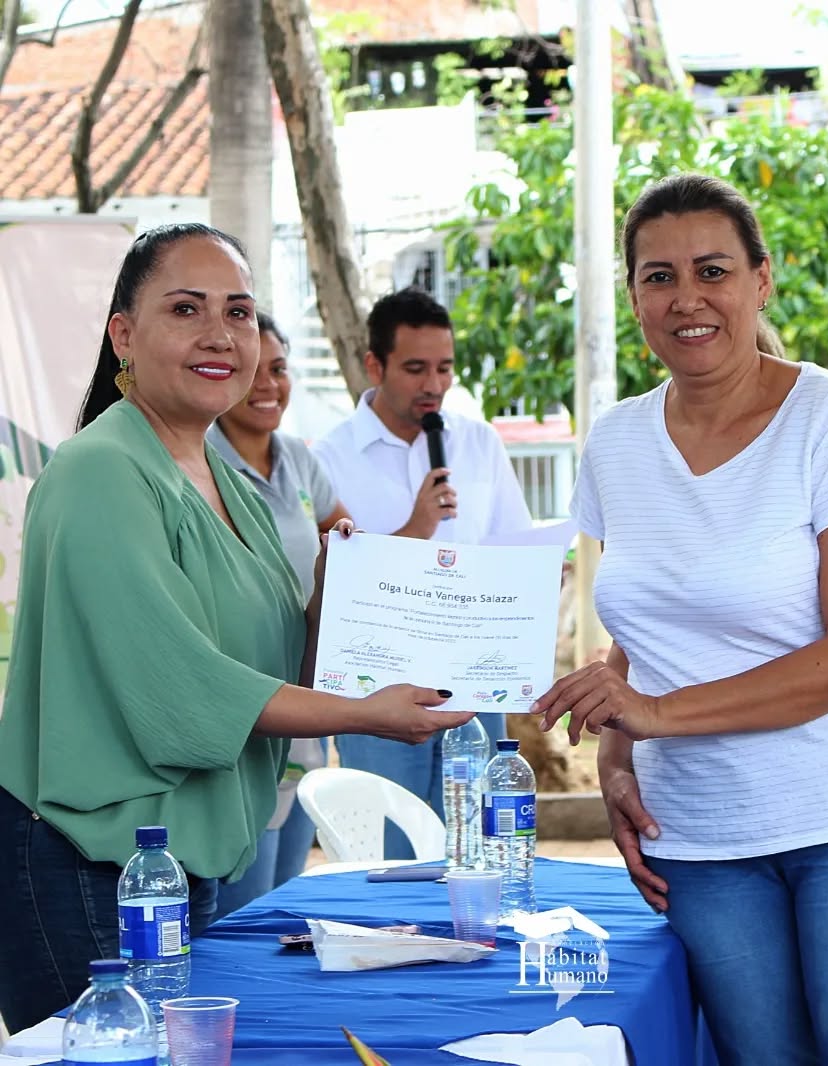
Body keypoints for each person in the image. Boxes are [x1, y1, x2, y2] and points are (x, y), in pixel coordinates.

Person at [533, 174, 828, 1066]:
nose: (686, 298)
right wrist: (619, 754)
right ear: (633, 295)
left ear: (760, 281)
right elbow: (651, 624)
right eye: (658, 276)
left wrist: (654, 716)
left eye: (712, 270)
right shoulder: (615, 442)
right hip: (702, 832)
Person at [0, 223, 473, 1035]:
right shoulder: (101, 471)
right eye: (185, 309)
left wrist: (332, 597)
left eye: (241, 313)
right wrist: (369, 714)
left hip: (189, 857)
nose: (220, 335)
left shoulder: (234, 483)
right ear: (124, 333)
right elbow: (179, 690)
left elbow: (282, 666)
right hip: (92, 861)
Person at [312, 287, 532, 843]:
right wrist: (415, 530)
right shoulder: (328, 459)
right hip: (378, 694)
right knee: (393, 851)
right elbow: (332, 582)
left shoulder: (480, 444)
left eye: (444, 367)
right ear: (373, 365)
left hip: (477, 690)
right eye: (415, 368)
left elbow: (516, 547)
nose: (433, 385)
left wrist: (533, 582)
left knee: (481, 846)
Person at [207, 310, 350, 918]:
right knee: (247, 905)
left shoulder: (298, 458)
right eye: (255, 371)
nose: (269, 385)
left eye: (282, 370)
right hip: (246, 706)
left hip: (305, 699)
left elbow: (346, 543)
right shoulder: (199, 463)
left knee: (287, 891)